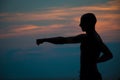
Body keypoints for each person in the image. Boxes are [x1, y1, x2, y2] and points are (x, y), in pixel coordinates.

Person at [36, 13, 113, 80]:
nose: (80, 25)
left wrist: (45, 39)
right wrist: (95, 61)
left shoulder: (86, 38)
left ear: (89, 23)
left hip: (89, 77)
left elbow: (62, 40)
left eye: (82, 22)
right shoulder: (97, 37)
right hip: (93, 75)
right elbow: (109, 55)